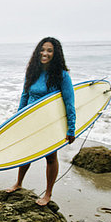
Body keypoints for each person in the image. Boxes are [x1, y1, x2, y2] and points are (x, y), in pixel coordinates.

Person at [6, 37, 76, 206]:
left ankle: (48, 194)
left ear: (56, 54)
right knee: (26, 153)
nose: (45, 53)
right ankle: (18, 183)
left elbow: (69, 102)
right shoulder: (32, 71)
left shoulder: (61, 75)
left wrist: (71, 128)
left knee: (50, 158)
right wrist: (18, 118)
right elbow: (25, 96)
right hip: (30, 119)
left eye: (49, 50)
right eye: (42, 50)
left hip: (49, 123)